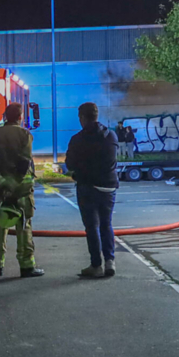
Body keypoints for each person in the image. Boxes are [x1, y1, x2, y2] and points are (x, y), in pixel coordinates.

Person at [0, 103, 43, 278]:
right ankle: (26, 266)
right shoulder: (25, 135)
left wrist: (0, 181)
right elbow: (25, 161)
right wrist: (14, 183)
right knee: (24, 225)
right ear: (20, 117)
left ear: (5, 116)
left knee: (0, 225)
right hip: (22, 188)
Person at [67, 103, 119, 278]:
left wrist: (79, 173)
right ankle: (110, 261)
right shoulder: (111, 135)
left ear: (82, 117)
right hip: (109, 186)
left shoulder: (78, 139)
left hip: (88, 186)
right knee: (106, 224)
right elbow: (112, 160)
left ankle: (96, 265)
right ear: (97, 116)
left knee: (92, 226)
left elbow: (70, 164)